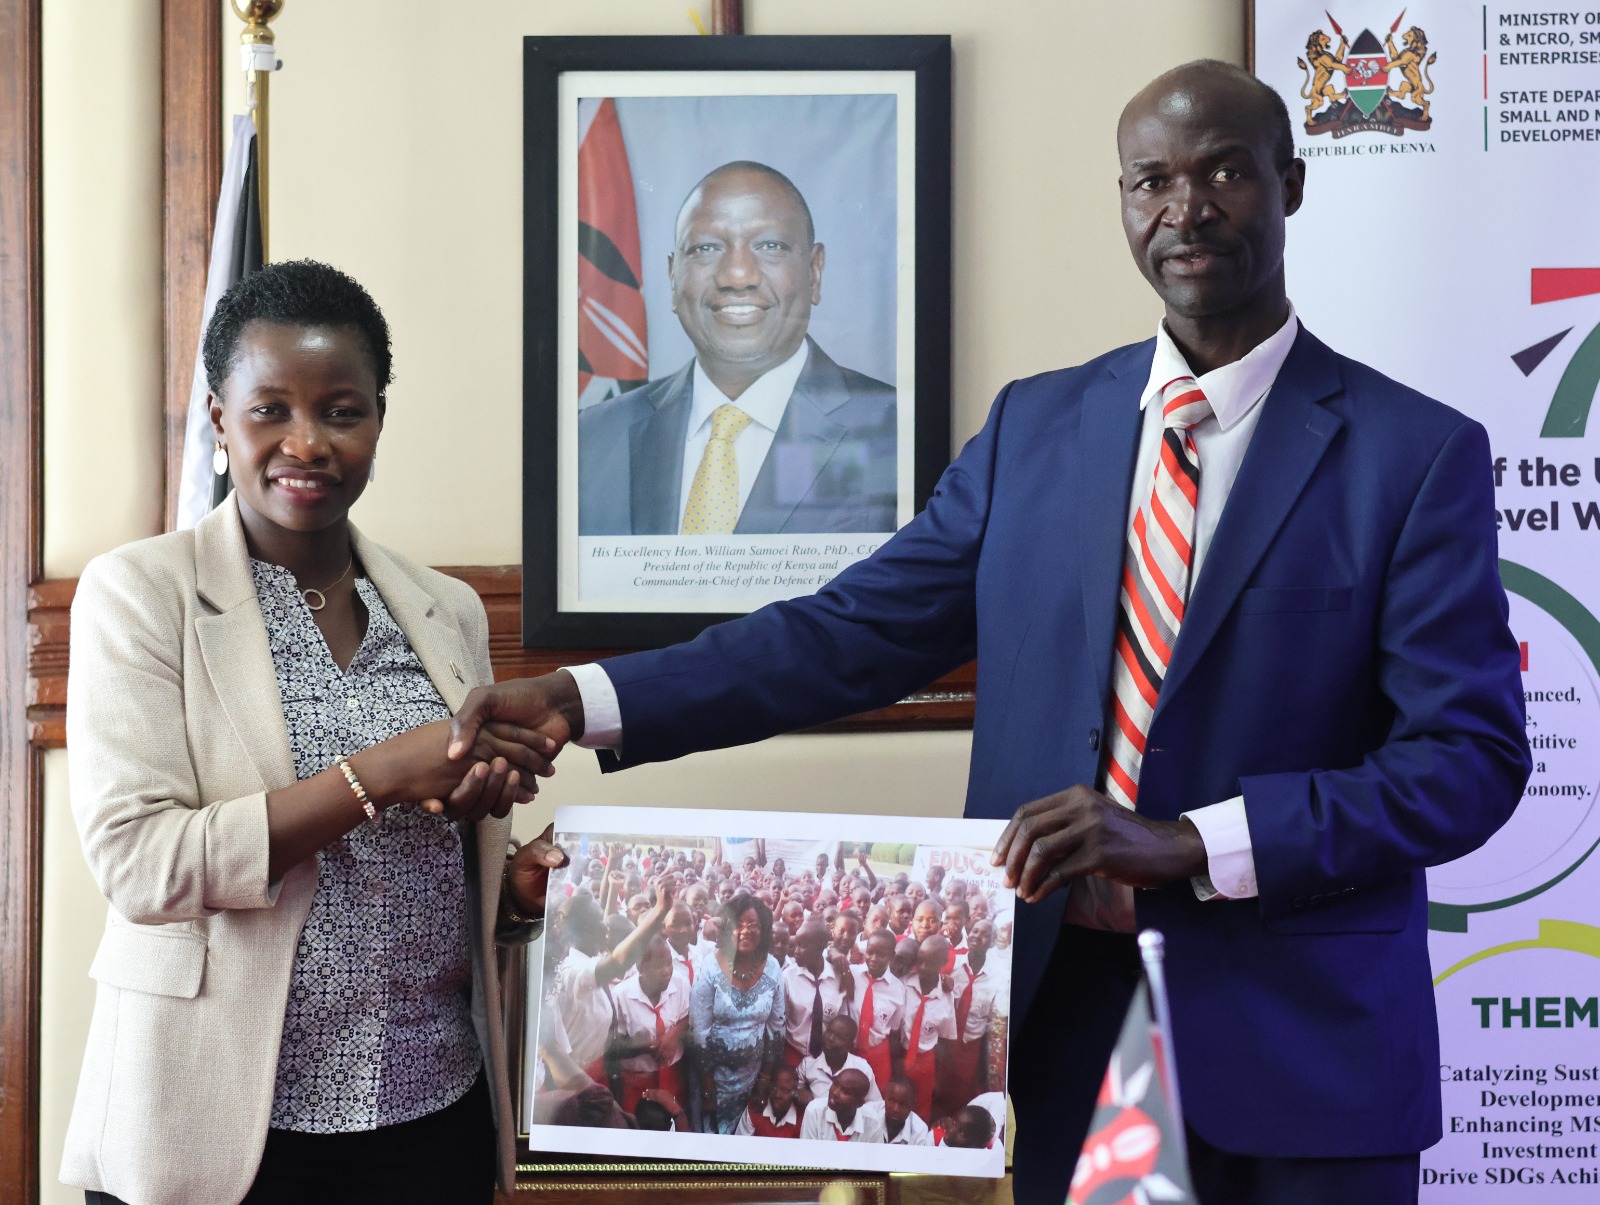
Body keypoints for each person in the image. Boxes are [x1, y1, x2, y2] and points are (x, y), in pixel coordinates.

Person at [449, 59, 1529, 1205]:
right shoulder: (1036, 425)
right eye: (1150, 180)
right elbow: (846, 632)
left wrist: (1195, 841)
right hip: (1065, 1023)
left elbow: (1466, 761)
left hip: (1309, 1056)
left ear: (1290, 186)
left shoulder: (1413, 454)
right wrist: (583, 698)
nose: (1186, 209)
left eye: (1224, 172)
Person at [61, 261, 569, 1205]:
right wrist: (378, 772)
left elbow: (431, 862)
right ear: (219, 420)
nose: (309, 442)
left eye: (343, 410)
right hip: (222, 1124)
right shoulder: (140, 594)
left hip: (429, 1110)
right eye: (270, 411)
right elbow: (141, 863)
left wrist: (512, 887)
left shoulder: (446, 609)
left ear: (380, 418)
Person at [578, 161, 898, 537]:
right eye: (706, 248)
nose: (737, 275)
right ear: (672, 276)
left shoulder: (893, 429)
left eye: (770, 246)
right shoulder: (590, 439)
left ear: (814, 272)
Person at [688, 893, 786, 1134]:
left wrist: (764, 1080)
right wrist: (709, 1089)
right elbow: (700, 1033)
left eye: (753, 925)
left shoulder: (773, 967)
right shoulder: (709, 968)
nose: (746, 931)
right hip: (712, 1081)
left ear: (763, 930)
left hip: (752, 1082)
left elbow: (776, 1029)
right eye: (739, 925)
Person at [609, 936, 690, 1114]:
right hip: (637, 1078)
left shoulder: (680, 982)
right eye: (658, 966)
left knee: (674, 1121)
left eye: (669, 964)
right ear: (640, 967)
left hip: (672, 1073)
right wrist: (648, 1048)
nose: (667, 971)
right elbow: (614, 1048)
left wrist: (673, 1035)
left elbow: (686, 1016)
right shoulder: (621, 996)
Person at [847, 930, 906, 1098]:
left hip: (877, 1052)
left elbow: (894, 1027)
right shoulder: (852, 974)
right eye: (870, 952)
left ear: (892, 956)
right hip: (850, 1050)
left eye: (881, 954)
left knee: (875, 1101)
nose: (873, 958)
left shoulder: (897, 989)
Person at [796, 1015, 882, 1107]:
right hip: (816, 1119)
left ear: (850, 1046)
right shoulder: (808, 1063)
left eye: (839, 1037)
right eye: (829, 1032)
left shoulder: (862, 1068)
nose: (831, 1038)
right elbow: (791, 1090)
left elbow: (875, 1104)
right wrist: (799, 1092)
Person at [798, 1069, 883, 1144]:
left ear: (859, 1103)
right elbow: (807, 1156)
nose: (835, 1092)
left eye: (845, 1091)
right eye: (835, 1084)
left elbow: (875, 1160)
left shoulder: (872, 1121)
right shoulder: (815, 1110)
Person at [733, 1065, 803, 1138]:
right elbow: (741, 1145)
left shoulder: (801, 1119)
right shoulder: (756, 1108)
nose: (777, 1094)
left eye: (784, 1090)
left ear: (795, 1093)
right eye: (774, 1087)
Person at [865, 1075, 933, 1146]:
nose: (895, 1109)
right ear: (885, 1097)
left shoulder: (919, 1130)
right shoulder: (868, 1114)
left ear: (913, 1105)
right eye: (891, 1101)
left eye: (903, 1105)